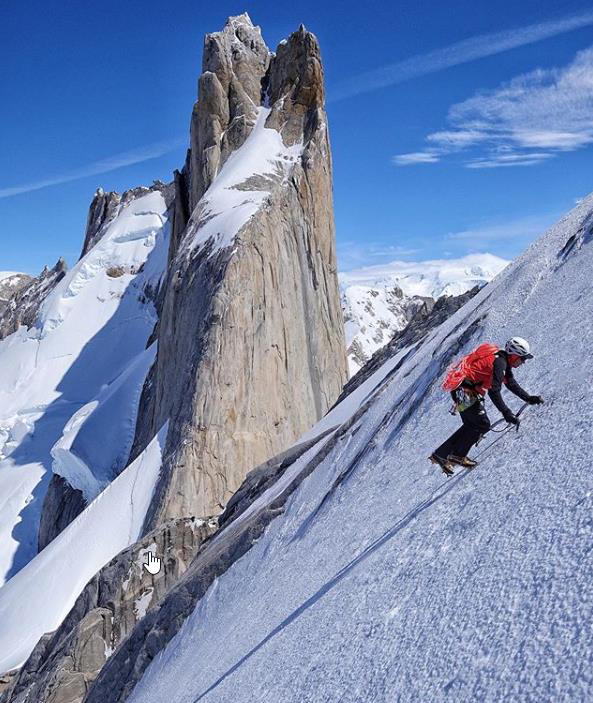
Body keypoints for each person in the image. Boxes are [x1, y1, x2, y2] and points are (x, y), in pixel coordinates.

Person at [430, 337, 544, 475]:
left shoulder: (502, 361)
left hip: (461, 390)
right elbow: (494, 391)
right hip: (465, 391)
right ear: (514, 355)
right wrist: (507, 413)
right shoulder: (500, 363)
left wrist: (528, 398)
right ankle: (455, 456)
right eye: (522, 358)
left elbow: (511, 383)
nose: (523, 362)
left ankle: (443, 454)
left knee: (472, 425)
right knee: (482, 424)